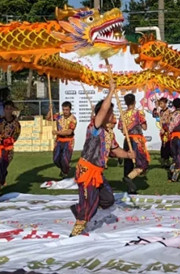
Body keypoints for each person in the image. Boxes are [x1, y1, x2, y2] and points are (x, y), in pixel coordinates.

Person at [69, 76, 135, 237]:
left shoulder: (109, 134)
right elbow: (103, 110)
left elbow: (116, 150)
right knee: (89, 207)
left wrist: (128, 154)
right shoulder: (95, 127)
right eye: (110, 113)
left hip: (98, 173)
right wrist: (111, 91)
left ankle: (80, 207)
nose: (113, 116)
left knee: (108, 199)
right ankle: (75, 232)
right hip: (87, 172)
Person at [118, 93, 149, 194]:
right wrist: (143, 119)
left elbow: (122, 129)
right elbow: (144, 127)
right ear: (135, 102)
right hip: (137, 140)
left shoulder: (122, 114)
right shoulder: (138, 113)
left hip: (127, 140)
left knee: (128, 163)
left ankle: (130, 188)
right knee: (142, 163)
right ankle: (128, 177)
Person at [0, 100, 21, 197]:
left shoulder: (16, 124)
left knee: (1, 166)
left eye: (10, 109)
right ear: (4, 109)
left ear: (13, 110)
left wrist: (6, 141)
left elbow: (15, 137)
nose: (8, 110)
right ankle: (1, 177)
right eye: (6, 108)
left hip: (8, 149)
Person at [50, 101, 77, 178]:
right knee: (56, 159)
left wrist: (57, 132)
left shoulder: (73, 119)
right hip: (58, 141)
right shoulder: (59, 116)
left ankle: (65, 172)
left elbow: (69, 132)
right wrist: (50, 110)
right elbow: (49, 117)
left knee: (64, 160)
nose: (65, 111)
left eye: (67, 110)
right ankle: (64, 169)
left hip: (68, 141)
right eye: (64, 109)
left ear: (70, 109)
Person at [153, 96, 172, 168]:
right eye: (159, 104)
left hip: (167, 131)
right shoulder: (160, 111)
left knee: (167, 146)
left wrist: (165, 128)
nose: (160, 105)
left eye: (161, 103)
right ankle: (164, 160)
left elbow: (170, 122)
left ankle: (167, 161)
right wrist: (156, 107)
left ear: (165, 103)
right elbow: (154, 114)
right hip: (162, 131)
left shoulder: (169, 111)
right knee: (163, 146)